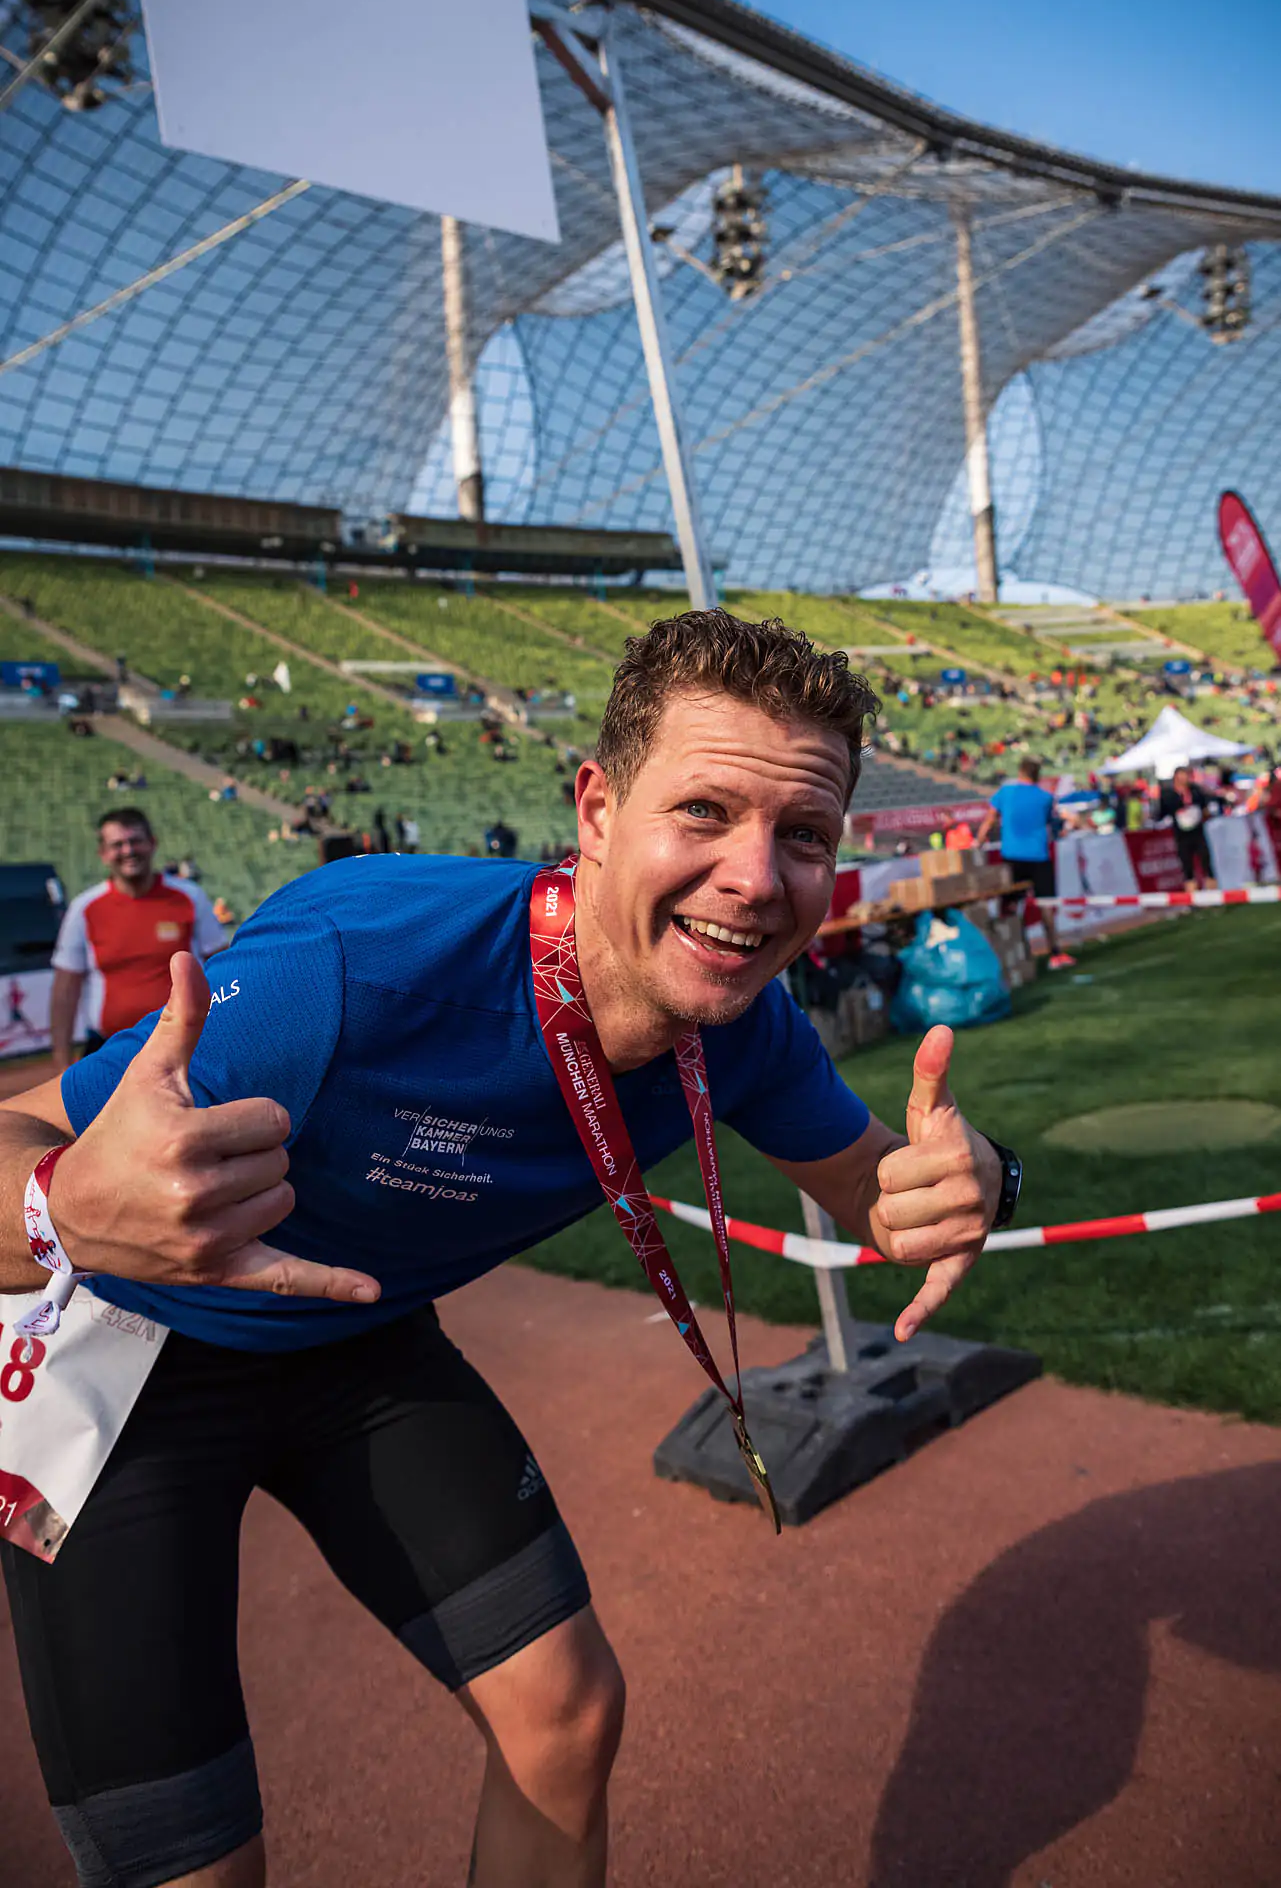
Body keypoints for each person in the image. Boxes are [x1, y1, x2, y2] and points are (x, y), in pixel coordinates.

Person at [0, 612, 1019, 1888]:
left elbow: (879, 1186)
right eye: (702, 812)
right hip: (118, 1359)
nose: (757, 878)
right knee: (196, 1872)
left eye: (802, 835)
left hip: (355, 1338)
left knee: (569, 1716)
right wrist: (56, 1200)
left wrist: (975, 1177)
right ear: (596, 809)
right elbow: (26, 1135)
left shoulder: (738, 1018)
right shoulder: (354, 972)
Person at [48, 808, 227, 1072]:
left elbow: (221, 965)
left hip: (185, 1042)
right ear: (103, 853)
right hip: (109, 1049)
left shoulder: (189, 897)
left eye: (136, 841)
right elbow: (65, 990)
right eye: (117, 844)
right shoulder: (84, 908)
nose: (128, 850)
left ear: (152, 843)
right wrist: (62, 1063)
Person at [976, 756, 1074, 969]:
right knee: (1046, 906)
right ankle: (1055, 953)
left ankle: (1008, 952)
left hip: (1012, 858)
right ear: (1038, 775)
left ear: (1020, 772)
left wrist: (978, 843)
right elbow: (1051, 823)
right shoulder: (1046, 797)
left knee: (1009, 906)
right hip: (1038, 857)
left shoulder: (1005, 792)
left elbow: (989, 820)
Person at [1157, 764, 1216, 890]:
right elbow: (1162, 813)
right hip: (1181, 834)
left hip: (1198, 831)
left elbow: (1205, 806)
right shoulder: (1169, 794)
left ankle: (1213, 892)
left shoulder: (1195, 790)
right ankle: (1192, 895)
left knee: (1206, 860)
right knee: (1187, 864)